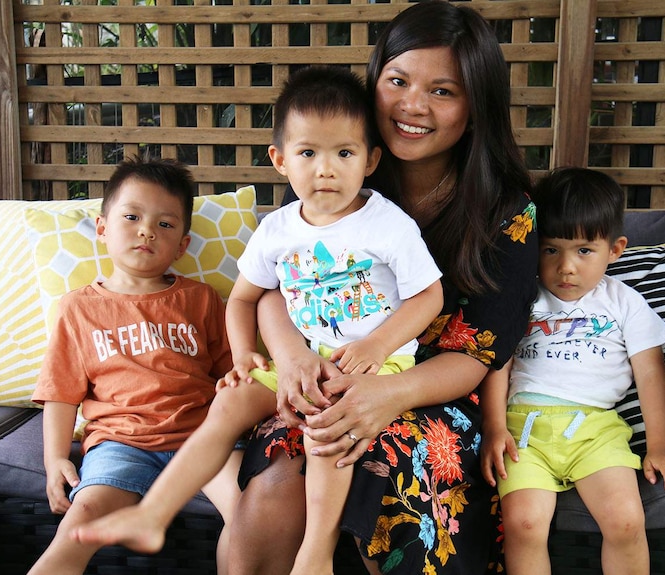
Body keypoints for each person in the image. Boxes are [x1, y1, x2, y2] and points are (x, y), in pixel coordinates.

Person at [71, 66, 444, 575]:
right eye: (308, 153)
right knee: (225, 407)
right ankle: (152, 513)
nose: (326, 170)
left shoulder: (385, 223)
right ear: (280, 160)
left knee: (324, 426)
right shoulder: (277, 230)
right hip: (303, 360)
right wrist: (246, 354)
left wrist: (378, 346)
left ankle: (315, 553)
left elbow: (429, 296)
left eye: (345, 153)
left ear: (371, 160)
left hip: (372, 369)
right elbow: (244, 299)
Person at [226, 2, 539, 573]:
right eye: (397, 81)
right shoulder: (337, 166)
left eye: (443, 91)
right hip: (319, 374)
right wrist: (291, 356)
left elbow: (478, 351)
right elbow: (273, 288)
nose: (413, 106)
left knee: (384, 466)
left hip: (432, 393)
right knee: (274, 487)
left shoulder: (505, 213)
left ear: (477, 106)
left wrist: (386, 396)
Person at [479, 167, 665, 575]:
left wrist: (660, 446)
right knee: (523, 523)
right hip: (522, 431)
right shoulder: (523, 297)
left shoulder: (623, 302)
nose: (567, 267)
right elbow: (498, 362)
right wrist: (494, 427)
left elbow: (651, 375)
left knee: (625, 521)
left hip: (597, 431)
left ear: (615, 249)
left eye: (584, 251)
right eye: (551, 250)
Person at [27, 156, 238, 575]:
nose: (146, 230)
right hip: (122, 444)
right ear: (102, 228)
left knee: (249, 513)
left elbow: (230, 373)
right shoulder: (79, 308)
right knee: (80, 521)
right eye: (132, 216)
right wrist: (55, 460)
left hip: (202, 439)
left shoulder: (202, 299)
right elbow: (60, 392)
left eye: (165, 224)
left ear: (182, 245)